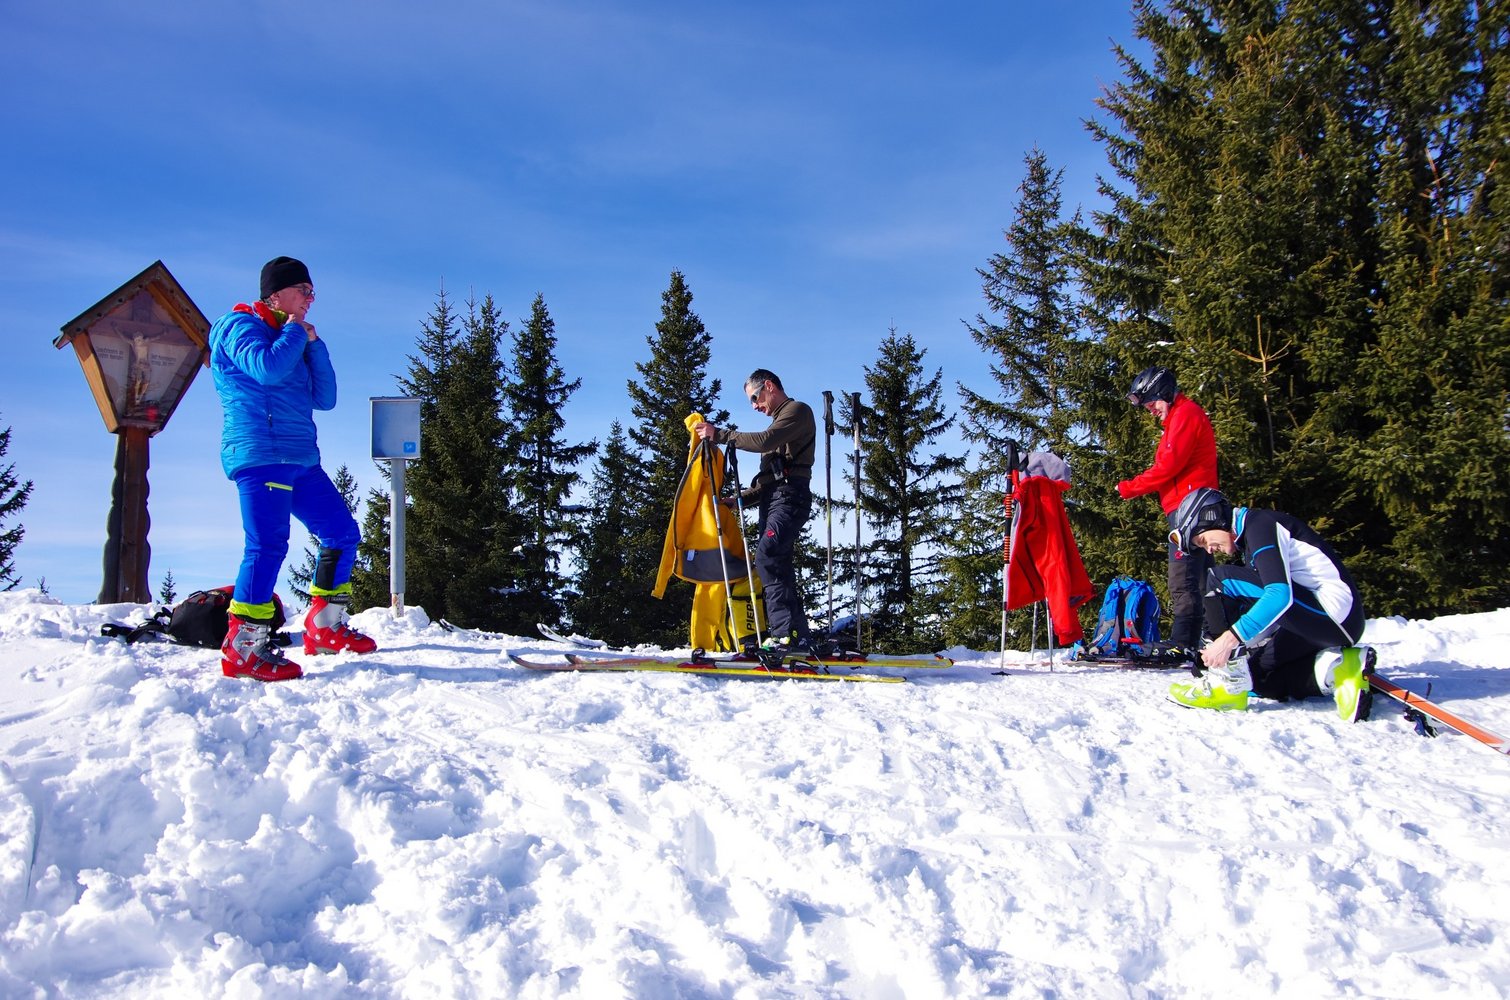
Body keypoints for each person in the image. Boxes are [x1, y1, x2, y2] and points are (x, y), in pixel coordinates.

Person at [209, 256, 377, 682]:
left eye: (312, 292)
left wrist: (314, 344)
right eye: (303, 290)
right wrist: (294, 332)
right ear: (275, 294)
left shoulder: (293, 338)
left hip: (301, 457)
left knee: (342, 532)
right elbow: (265, 369)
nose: (310, 299)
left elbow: (326, 398)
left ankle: (325, 626)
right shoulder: (238, 326)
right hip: (261, 453)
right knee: (267, 544)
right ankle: (243, 647)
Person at [1164, 488, 1372, 721]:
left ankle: (1224, 686)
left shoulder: (1260, 525)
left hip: (1335, 614)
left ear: (1212, 517)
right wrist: (1233, 648)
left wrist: (1227, 641)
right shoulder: (1250, 538)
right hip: (1323, 621)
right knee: (1254, 678)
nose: (1209, 549)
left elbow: (1279, 595)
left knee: (1220, 579)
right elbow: (1272, 602)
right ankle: (1338, 670)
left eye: (1203, 540)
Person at [693, 370, 817, 653]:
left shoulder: (797, 411)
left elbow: (764, 441)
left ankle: (784, 635)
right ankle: (798, 635)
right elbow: (765, 484)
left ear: (769, 386)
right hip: (773, 500)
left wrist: (720, 435)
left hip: (790, 498)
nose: (754, 406)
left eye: (754, 398)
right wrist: (735, 501)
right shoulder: (780, 423)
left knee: (767, 556)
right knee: (777, 563)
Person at [1117, 366, 1218, 657]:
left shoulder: (1185, 414)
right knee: (1202, 577)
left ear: (1164, 392)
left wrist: (1128, 487)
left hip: (1190, 506)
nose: (1150, 410)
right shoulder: (1180, 417)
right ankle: (1209, 637)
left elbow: (1168, 466)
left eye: (1152, 403)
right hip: (1193, 504)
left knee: (1182, 577)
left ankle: (1183, 642)